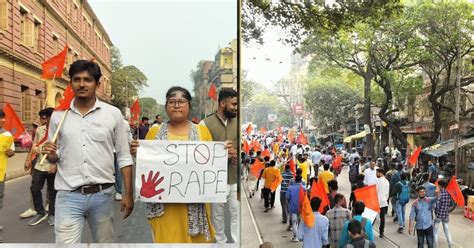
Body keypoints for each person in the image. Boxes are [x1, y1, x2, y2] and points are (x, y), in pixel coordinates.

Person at [43, 60, 134, 243]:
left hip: (102, 196)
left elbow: (124, 157)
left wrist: (128, 194)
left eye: (87, 80)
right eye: (77, 79)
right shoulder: (59, 117)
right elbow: (55, 157)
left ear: (97, 84)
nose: (82, 84)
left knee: (104, 244)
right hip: (68, 195)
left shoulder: (113, 114)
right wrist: (50, 153)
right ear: (71, 83)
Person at [131, 86, 220, 243]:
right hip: (164, 208)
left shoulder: (202, 132)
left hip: (196, 206)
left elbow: (211, 167)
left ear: (189, 106)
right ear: (166, 106)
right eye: (172, 101)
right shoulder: (154, 133)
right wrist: (138, 153)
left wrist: (225, 154)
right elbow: (148, 167)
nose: (177, 105)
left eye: (181, 101)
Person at [200, 88, 238, 243]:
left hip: (235, 177)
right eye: (233, 104)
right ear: (222, 103)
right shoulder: (205, 124)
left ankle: (237, 244)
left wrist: (236, 153)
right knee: (218, 215)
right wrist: (220, 153)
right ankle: (221, 243)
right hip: (215, 179)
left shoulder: (238, 123)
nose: (236, 107)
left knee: (236, 213)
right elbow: (199, 153)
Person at [27, 107, 57, 226]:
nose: (45, 120)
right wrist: (40, 149)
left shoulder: (59, 131)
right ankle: (40, 212)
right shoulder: (40, 130)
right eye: (43, 117)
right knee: (34, 188)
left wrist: (56, 165)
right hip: (40, 165)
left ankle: (52, 214)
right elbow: (34, 146)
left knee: (52, 191)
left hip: (52, 166)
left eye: (47, 117)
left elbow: (64, 150)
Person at [0, 109, 16, 243]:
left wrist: (10, 152)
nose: (3, 120)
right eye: (0, 118)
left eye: (3, 118)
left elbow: (12, 152)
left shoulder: (7, 134)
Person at [433, 180, 453, 248]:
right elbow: (451, 204)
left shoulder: (439, 193)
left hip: (439, 215)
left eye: (438, 185)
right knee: (446, 229)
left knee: (435, 231)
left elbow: (437, 205)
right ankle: (450, 244)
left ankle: (435, 245)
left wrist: (435, 211)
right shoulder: (449, 193)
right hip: (446, 214)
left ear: (440, 186)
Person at [287, 175, 304, 242]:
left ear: (295, 180)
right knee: (300, 222)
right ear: (301, 180)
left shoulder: (290, 188)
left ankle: (295, 237)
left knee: (294, 222)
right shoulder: (304, 188)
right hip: (301, 208)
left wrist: (289, 205)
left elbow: (287, 198)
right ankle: (300, 236)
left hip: (293, 208)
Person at [376, 168, 389, 238]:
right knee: (382, 218)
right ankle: (381, 232)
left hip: (377, 201)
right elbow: (387, 193)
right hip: (384, 202)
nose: (376, 174)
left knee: (372, 217)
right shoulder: (387, 181)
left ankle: (367, 230)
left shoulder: (378, 181)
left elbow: (376, 191)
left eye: (377, 172)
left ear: (380, 173)